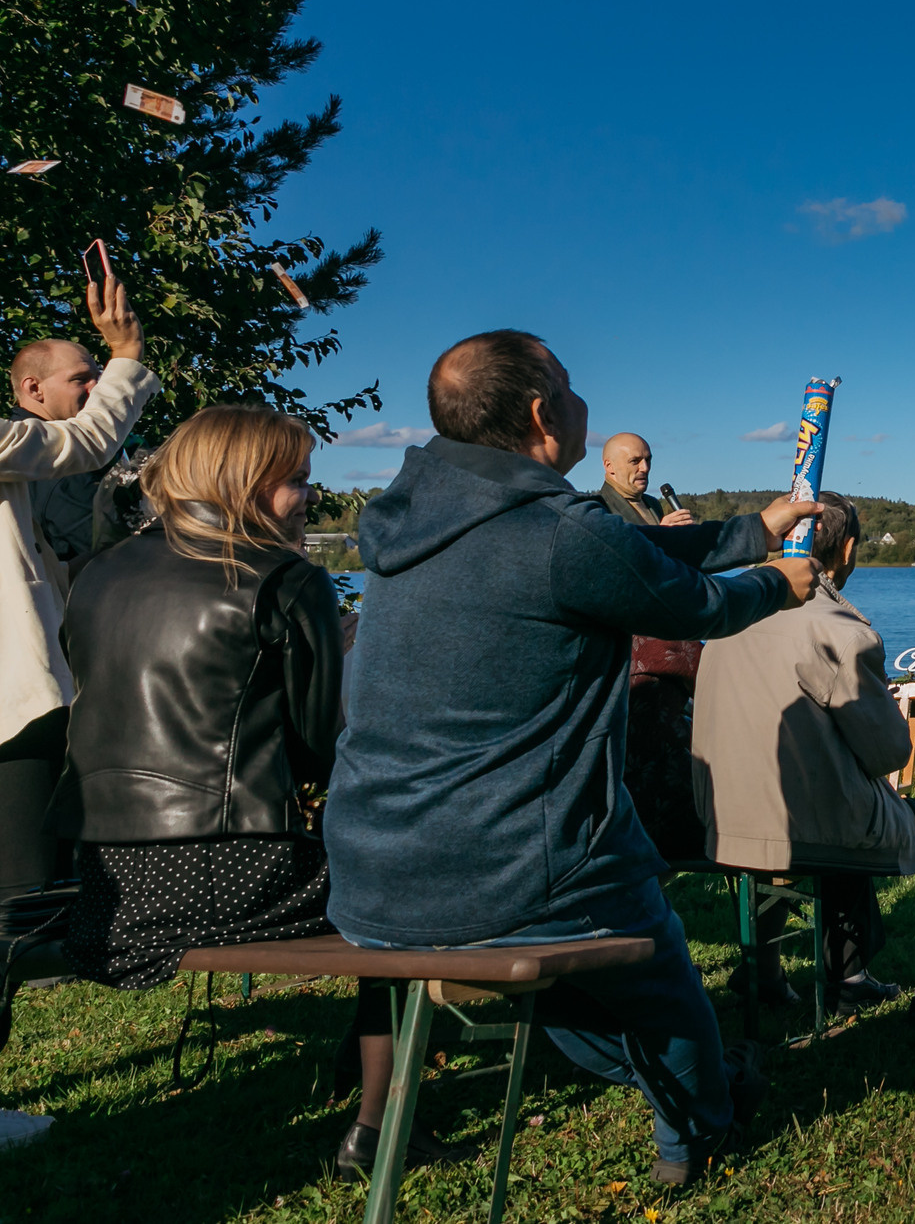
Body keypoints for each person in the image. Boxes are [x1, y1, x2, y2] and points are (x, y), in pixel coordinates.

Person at [324, 330, 818, 1188]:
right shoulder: (557, 529)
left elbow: (628, 560)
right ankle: (699, 1131)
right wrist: (780, 579)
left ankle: (680, 1089)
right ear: (542, 412)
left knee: (580, 983)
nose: (584, 397)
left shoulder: (415, 520)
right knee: (660, 974)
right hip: (511, 861)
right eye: (571, 383)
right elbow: (691, 604)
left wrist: (752, 529)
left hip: (371, 874)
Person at [51, 407, 435, 1177]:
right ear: (246, 483)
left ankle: (355, 1063)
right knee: (402, 889)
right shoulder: (286, 578)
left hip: (98, 879)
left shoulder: (99, 570)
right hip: (227, 869)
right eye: (295, 480)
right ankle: (376, 1122)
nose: (309, 497)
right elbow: (325, 744)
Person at [692, 492, 915, 1021]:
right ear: (849, 548)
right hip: (805, 822)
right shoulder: (839, 629)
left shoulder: (732, 614)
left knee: (842, 803)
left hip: (726, 818)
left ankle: (847, 976)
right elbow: (889, 750)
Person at [0, 263, 158, 919]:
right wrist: (125, 354)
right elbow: (87, 442)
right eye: (81, 376)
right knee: (19, 892)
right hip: (14, 699)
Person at [10, 340, 112, 570]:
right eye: (80, 379)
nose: (95, 388)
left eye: (98, 377)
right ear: (34, 388)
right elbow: (112, 548)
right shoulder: (53, 462)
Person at [599, 433, 695, 527]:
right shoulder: (599, 509)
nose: (645, 468)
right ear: (609, 466)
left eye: (648, 460)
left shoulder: (653, 504)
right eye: (634, 461)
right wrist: (662, 534)